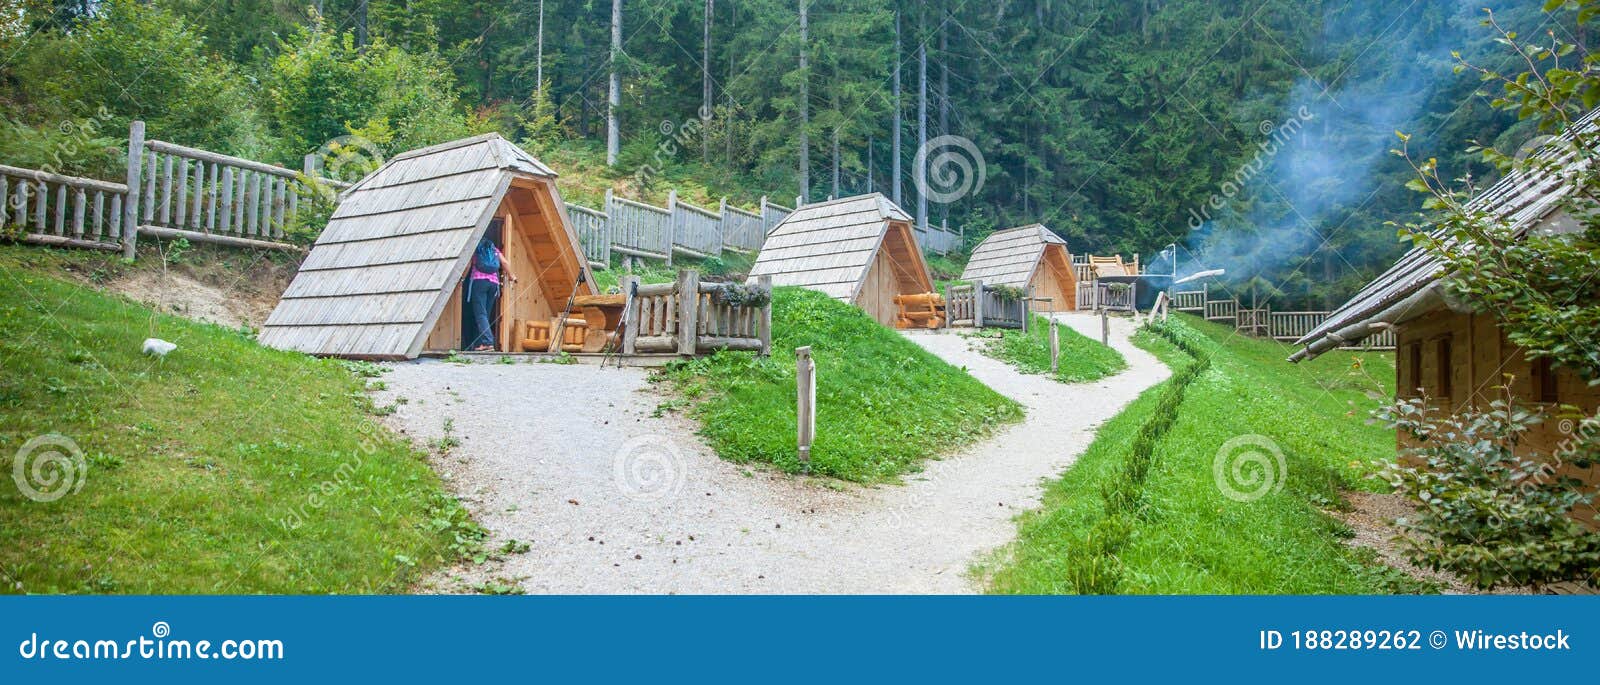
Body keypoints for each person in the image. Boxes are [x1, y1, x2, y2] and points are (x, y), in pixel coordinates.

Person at [466, 222, 512, 351]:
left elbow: (469, 265)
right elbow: (504, 262)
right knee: (485, 314)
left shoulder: (475, 248)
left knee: (480, 314)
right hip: (494, 284)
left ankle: (487, 342)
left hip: (479, 282)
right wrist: (512, 276)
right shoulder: (493, 249)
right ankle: (480, 343)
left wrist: (463, 278)